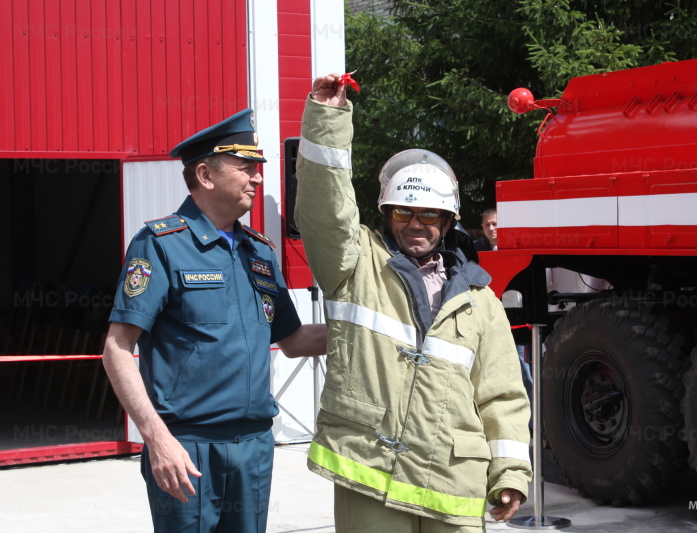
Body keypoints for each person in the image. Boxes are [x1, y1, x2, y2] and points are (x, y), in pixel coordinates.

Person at [294, 74, 532, 532]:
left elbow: (502, 394)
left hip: (452, 483)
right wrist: (327, 119)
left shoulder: (481, 301)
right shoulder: (355, 264)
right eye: (403, 212)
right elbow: (325, 211)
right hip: (371, 475)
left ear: (448, 222)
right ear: (386, 214)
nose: (415, 224)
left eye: (429, 215)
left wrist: (510, 473)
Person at [102, 109, 327, 533]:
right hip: (186, 445)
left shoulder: (259, 252)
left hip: (254, 446)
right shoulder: (160, 245)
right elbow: (116, 349)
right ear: (205, 175)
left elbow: (294, 340)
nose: (257, 178)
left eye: (258, 169)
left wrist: (368, 329)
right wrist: (157, 438)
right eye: (246, 168)